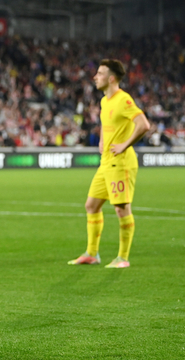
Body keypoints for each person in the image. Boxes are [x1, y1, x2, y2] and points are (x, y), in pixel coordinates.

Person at [69, 59, 150, 268]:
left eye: (100, 73)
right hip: (106, 163)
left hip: (121, 163)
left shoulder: (123, 99)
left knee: (122, 209)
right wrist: (105, 141)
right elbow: (107, 125)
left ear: (111, 78)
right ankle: (92, 254)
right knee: (91, 205)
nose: (95, 77)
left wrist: (124, 144)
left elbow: (143, 125)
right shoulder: (105, 101)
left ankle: (123, 258)